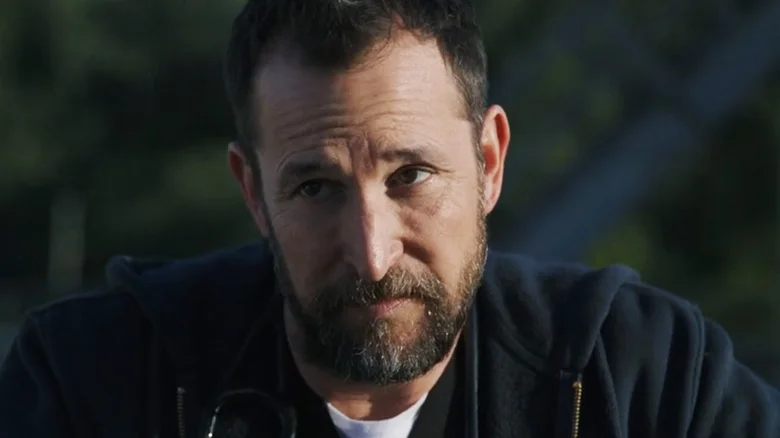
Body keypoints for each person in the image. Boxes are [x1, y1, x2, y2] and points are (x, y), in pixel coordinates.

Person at [1, 0, 779, 436]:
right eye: (314, 189)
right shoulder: (93, 384)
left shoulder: (647, 381)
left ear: (489, 163)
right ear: (252, 192)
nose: (372, 254)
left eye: (410, 175)